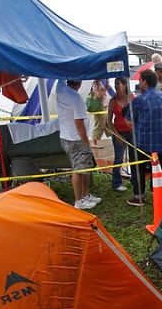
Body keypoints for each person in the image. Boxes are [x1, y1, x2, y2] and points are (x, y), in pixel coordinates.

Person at [127, 69, 162, 206]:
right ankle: (157, 194)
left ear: (145, 82)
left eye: (140, 80)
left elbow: (129, 121)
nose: (139, 83)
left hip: (143, 144)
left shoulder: (140, 100)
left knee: (138, 170)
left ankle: (139, 196)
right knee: (158, 170)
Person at [56, 79, 100, 210]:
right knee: (79, 170)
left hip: (66, 137)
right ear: (80, 83)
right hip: (76, 139)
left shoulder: (60, 88)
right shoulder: (76, 99)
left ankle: (85, 195)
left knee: (84, 168)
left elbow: (60, 78)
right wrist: (86, 141)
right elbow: (79, 124)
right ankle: (79, 201)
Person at [106, 76, 133, 192]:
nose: (116, 86)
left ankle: (134, 179)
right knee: (119, 158)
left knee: (134, 157)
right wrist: (116, 135)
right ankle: (116, 183)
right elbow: (108, 121)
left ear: (125, 85)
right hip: (119, 132)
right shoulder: (113, 101)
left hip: (131, 132)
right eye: (115, 84)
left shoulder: (131, 97)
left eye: (118, 84)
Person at [87, 80, 108, 149]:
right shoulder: (96, 84)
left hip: (101, 107)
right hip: (99, 108)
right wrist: (104, 90)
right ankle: (94, 143)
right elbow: (98, 94)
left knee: (104, 124)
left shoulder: (98, 83)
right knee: (99, 125)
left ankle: (96, 141)